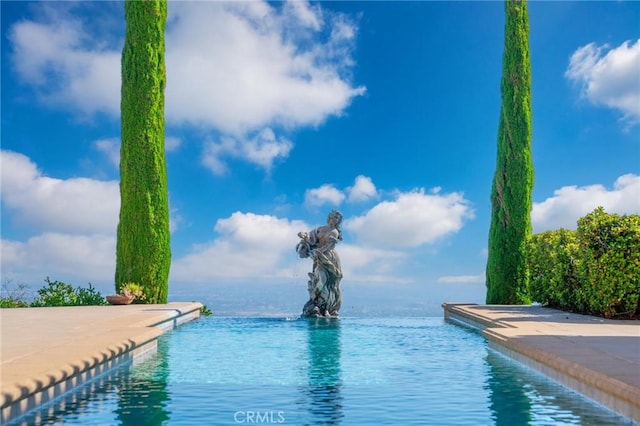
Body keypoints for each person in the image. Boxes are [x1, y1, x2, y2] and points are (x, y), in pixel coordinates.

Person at [297, 210, 343, 317]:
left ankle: (325, 306)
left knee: (325, 280)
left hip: (329, 258)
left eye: (337, 218)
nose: (334, 219)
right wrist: (304, 235)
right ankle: (316, 302)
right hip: (318, 258)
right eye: (333, 216)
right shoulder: (320, 229)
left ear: (338, 221)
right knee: (318, 277)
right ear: (329, 217)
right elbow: (311, 237)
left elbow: (329, 246)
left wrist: (318, 252)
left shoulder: (334, 232)